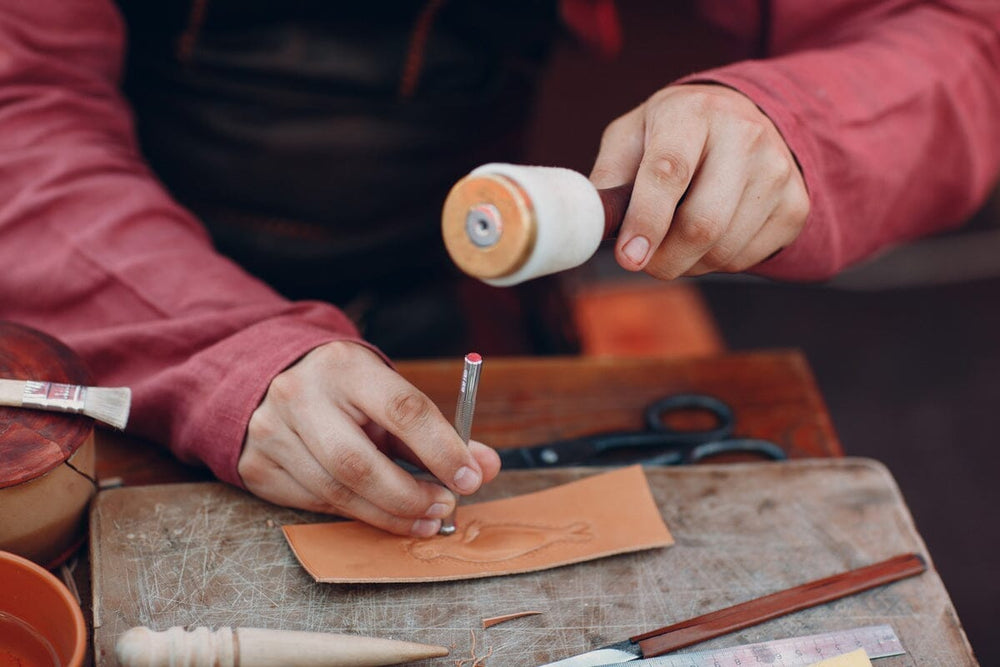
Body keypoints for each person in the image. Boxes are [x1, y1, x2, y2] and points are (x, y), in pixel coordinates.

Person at [1, 1, 998, 537]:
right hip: (114, 333)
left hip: (468, 314)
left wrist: (807, 123)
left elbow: (962, 38)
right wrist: (218, 353)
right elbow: (18, 103)